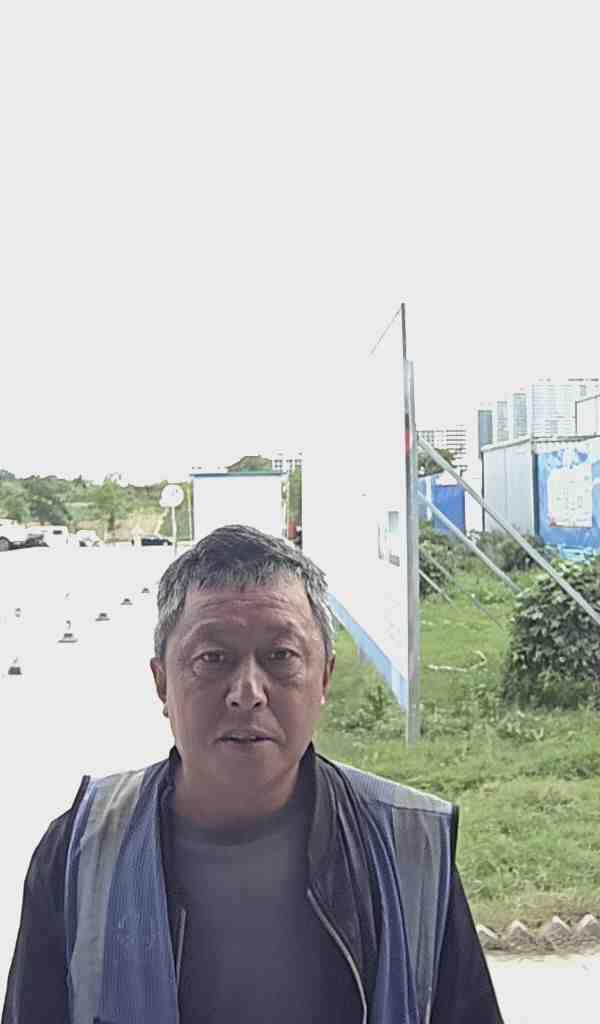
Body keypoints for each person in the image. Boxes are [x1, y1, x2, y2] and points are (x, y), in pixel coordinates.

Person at [2, 524, 503, 1024]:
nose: (247, 693)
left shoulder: (409, 846)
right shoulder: (81, 850)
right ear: (162, 682)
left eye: (280, 656)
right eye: (212, 658)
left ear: (324, 678)